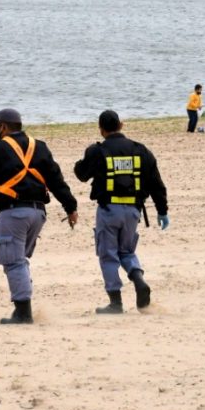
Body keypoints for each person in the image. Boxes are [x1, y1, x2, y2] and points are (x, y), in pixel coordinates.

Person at [0, 108, 78, 325]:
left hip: (13, 213)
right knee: (20, 260)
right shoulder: (40, 146)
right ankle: (24, 302)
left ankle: (22, 311)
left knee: (13, 262)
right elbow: (57, 181)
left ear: (2, 127)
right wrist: (71, 207)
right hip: (38, 213)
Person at [74, 110, 169, 314]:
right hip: (133, 211)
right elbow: (156, 184)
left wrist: (81, 162)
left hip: (109, 210)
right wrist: (162, 211)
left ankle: (115, 302)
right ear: (121, 125)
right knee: (127, 251)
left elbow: (82, 174)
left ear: (101, 130)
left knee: (108, 254)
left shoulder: (97, 151)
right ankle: (138, 278)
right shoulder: (140, 150)